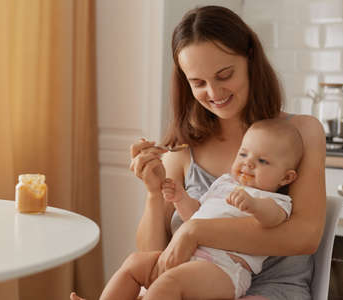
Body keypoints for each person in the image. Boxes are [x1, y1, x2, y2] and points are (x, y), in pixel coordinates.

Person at [72, 5, 326, 300]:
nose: (214, 93)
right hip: (191, 285)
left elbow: (305, 237)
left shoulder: (300, 133)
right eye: (198, 83)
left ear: (250, 62)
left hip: (272, 291)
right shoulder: (182, 153)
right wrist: (155, 195)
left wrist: (195, 231)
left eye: (224, 75)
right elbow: (155, 258)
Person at [71, 119, 303, 300]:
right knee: (134, 263)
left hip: (224, 270)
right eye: (243, 154)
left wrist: (253, 205)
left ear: (286, 177)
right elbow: (196, 215)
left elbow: (272, 220)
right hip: (188, 257)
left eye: (263, 161)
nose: (248, 163)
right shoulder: (224, 184)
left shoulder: (275, 200)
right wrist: (180, 198)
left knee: (167, 284)